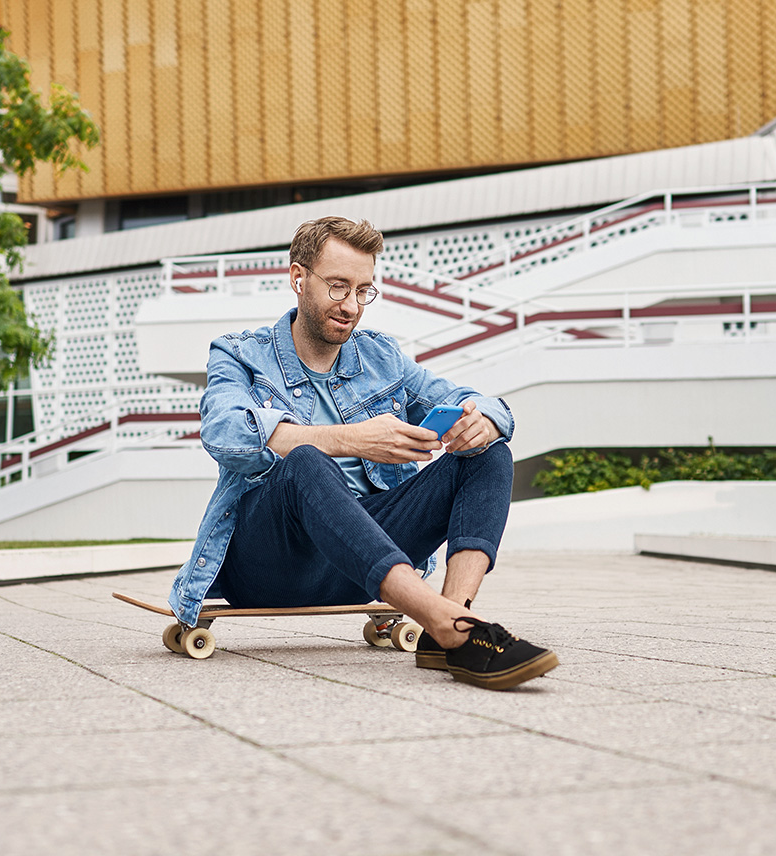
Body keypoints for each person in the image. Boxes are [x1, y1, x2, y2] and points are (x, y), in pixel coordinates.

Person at [167, 216, 558, 690]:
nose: (351, 305)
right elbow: (225, 433)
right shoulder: (240, 354)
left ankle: (452, 626)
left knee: (488, 451)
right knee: (307, 461)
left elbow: (470, 398)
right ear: (298, 278)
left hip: (360, 566)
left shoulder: (381, 357)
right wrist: (352, 439)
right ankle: (446, 622)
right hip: (272, 561)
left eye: (363, 290)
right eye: (337, 287)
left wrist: (487, 418)